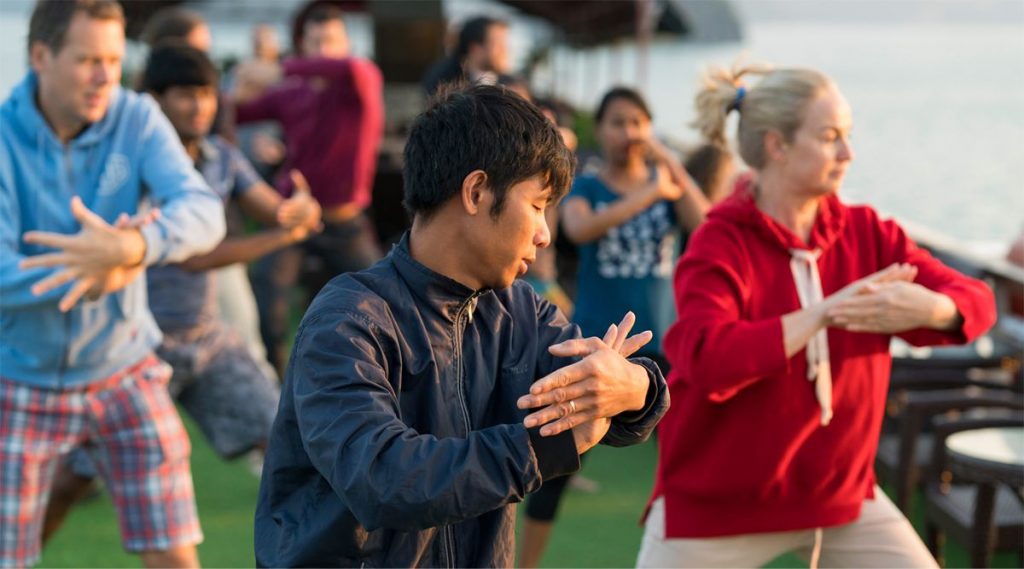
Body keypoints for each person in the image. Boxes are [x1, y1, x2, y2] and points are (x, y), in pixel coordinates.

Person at [253, 84, 669, 567]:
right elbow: (384, 479)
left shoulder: (521, 314)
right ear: (475, 192)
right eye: (536, 206)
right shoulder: (347, 319)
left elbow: (613, 399)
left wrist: (633, 385)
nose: (544, 232)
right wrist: (543, 446)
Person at [638, 64, 997, 568]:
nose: (848, 153)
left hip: (842, 500)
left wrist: (936, 309)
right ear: (777, 146)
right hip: (717, 505)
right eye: (830, 137)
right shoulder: (718, 243)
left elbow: (977, 300)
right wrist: (821, 314)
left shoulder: (869, 233)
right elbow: (706, 358)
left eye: (847, 136)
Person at [40, 44, 323, 543]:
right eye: (186, 96)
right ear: (154, 101)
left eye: (208, 95)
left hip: (208, 342)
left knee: (289, 444)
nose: (200, 107)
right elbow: (190, 253)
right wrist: (280, 238)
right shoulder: (136, 164)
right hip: (135, 348)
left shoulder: (222, 158)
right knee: (71, 480)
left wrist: (297, 210)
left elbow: (274, 208)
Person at [0, 1, 227, 567]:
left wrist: (132, 248)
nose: (106, 75)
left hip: (124, 368)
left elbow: (203, 210)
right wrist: (98, 270)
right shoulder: (2, 139)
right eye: (87, 60)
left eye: (113, 58)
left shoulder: (137, 116)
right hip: (18, 377)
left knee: (177, 556)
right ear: (40, 56)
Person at [517, 87, 709, 568]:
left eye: (638, 122)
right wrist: (650, 192)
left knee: (683, 468)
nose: (629, 132)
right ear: (599, 132)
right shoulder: (589, 187)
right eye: (618, 122)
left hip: (661, 348)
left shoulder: (668, 188)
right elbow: (580, 230)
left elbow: (705, 224)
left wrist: (666, 163)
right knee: (557, 466)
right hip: (593, 347)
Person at [231, 4, 385, 376]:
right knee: (267, 293)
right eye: (315, 43)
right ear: (303, 46)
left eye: (331, 41)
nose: (323, 51)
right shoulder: (291, 93)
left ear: (346, 43)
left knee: (386, 299)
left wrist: (278, 68)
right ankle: (276, 379)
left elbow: (352, 68)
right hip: (294, 221)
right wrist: (242, 80)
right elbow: (234, 112)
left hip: (345, 221)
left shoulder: (358, 82)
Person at [422, 15, 511, 96]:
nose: (504, 50)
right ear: (475, 49)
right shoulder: (443, 81)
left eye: (504, 44)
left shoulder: (510, 84)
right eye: (498, 44)